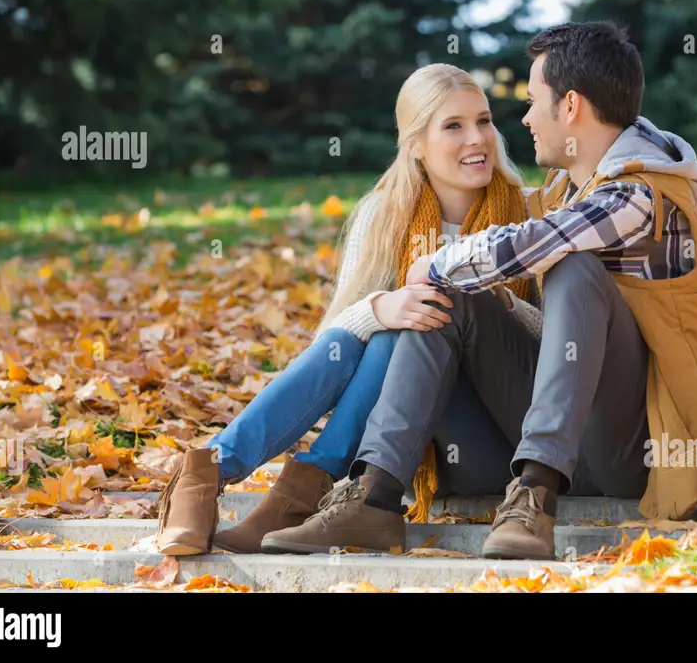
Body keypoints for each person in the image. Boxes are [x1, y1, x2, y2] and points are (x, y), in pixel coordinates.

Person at [259, 21, 697, 561]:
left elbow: (536, 243)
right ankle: (373, 500)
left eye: (531, 100)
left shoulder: (642, 196)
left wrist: (438, 259)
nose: (521, 120)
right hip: (561, 439)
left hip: (643, 453)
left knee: (571, 268)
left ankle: (535, 499)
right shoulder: (567, 191)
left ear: (569, 107)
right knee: (449, 299)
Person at [153, 63, 543, 556]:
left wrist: (495, 306)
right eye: (454, 125)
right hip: (396, 446)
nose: (478, 139)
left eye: (484, 121)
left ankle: (274, 489)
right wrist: (382, 307)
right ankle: (212, 472)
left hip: (490, 442)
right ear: (415, 144)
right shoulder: (384, 215)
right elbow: (331, 350)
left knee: (417, 320)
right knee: (381, 328)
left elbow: (550, 344)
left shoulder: (529, 214)